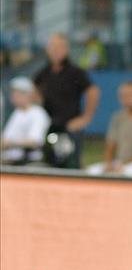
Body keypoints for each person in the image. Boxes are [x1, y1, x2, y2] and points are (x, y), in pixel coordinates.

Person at [33, 32, 100, 169]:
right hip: (50, 126)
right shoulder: (44, 73)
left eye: (59, 47)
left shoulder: (75, 72)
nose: (55, 50)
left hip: (70, 127)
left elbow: (93, 92)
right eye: (52, 47)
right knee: (48, 163)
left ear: (66, 49)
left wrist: (86, 118)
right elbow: (34, 90)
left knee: (70, 164)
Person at [87, 80, 132, 176]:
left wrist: (123, 164)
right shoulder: (118, 117)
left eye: (131, 95)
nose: (127, 99)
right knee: (90, 171)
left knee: (129, 172)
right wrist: (108, 163)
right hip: (119, 162)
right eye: (124, 96)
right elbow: (110, 145)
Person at [1, 77, 51, 165]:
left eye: (18, 94)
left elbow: (35, 141)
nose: (13, 97)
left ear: (28, 95)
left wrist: (10, 143)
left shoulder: (38, 113)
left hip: (26, 162)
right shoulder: (17, 112)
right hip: (8, 160)